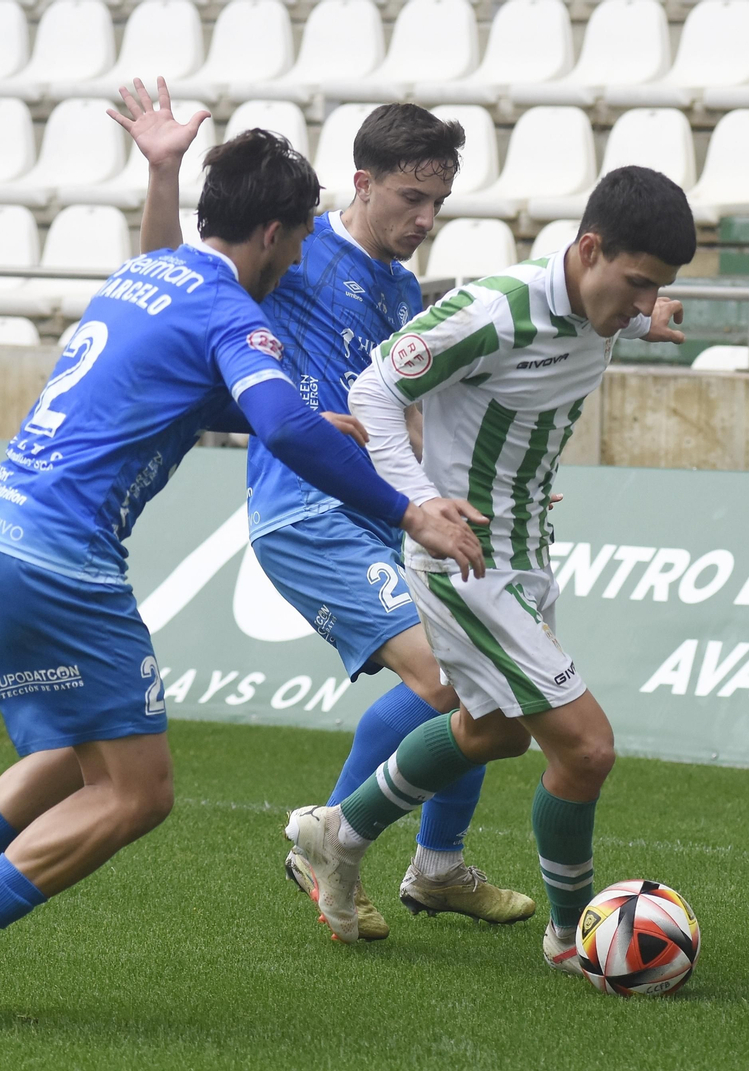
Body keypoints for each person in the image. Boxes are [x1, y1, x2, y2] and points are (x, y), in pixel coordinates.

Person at [0, 117, 486, 1028]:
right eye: (303, 233)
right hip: (63, 560)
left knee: (75, 755)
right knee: (139, 790)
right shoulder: (234, 311)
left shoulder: (149, 273)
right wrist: (407, 506)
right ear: (275, 234)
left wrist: (160, 172)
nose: (306, 248)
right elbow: (275, 424)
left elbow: (219, 378)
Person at [125, 89, 535, 939]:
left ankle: (436, 865)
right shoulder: (300, 247)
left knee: (483, 672)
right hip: (304, 510)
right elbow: (172, 271)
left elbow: (408, 417)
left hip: (380, 512)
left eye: (438, 202)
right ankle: (338, 839)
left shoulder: (401, 287)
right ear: (362, 182)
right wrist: (163, 173)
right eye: (409, 198)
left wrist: (457, 497)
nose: (425, 217)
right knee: (453, 679)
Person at [283, 166, 696, 974]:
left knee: (494, 729)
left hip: (527, 553)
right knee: (586, 749)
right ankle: (572, 936)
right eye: (639, 285)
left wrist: (646, 318)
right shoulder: (494, 309)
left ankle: (339, 832)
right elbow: (373, 389)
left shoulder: (603, 303)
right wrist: (420, 507)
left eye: (658, 291)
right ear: (588, 249)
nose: (643, 303)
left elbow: (602, 320)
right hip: (463, 560)